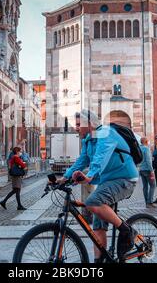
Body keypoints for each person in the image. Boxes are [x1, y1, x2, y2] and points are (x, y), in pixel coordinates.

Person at [59, 110, 139, 263]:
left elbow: (100, 158)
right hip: (107, 182)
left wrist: (90, 175)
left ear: (88, 123)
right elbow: (81, 161)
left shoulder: (106, 133)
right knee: (98, 226)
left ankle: (127, 231)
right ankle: (99, 261)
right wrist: (64, 178)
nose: (75, 128)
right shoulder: (88, 140)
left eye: (78, 124)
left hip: (125, 179)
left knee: (93, 201)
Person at [0, 147, 27, 211]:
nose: (21, 152)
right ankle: (4, 202)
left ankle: (19, 205)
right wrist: (23, 165)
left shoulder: (15, 157)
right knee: (16, 190)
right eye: (20, 151)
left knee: (17, 191)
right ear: (17, 152)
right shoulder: (16, 157)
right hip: (16, 176)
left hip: (16, 176)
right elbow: (22, 165)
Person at [139, 137, 157, 208]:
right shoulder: (146, 149)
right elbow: (148, 161)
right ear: (146, 141)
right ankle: (150, 202)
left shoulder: (139, 148)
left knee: (145, 187)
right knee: (153, 185)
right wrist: (152, 171)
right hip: (147, 170)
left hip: (141, 169)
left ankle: (146, 202)